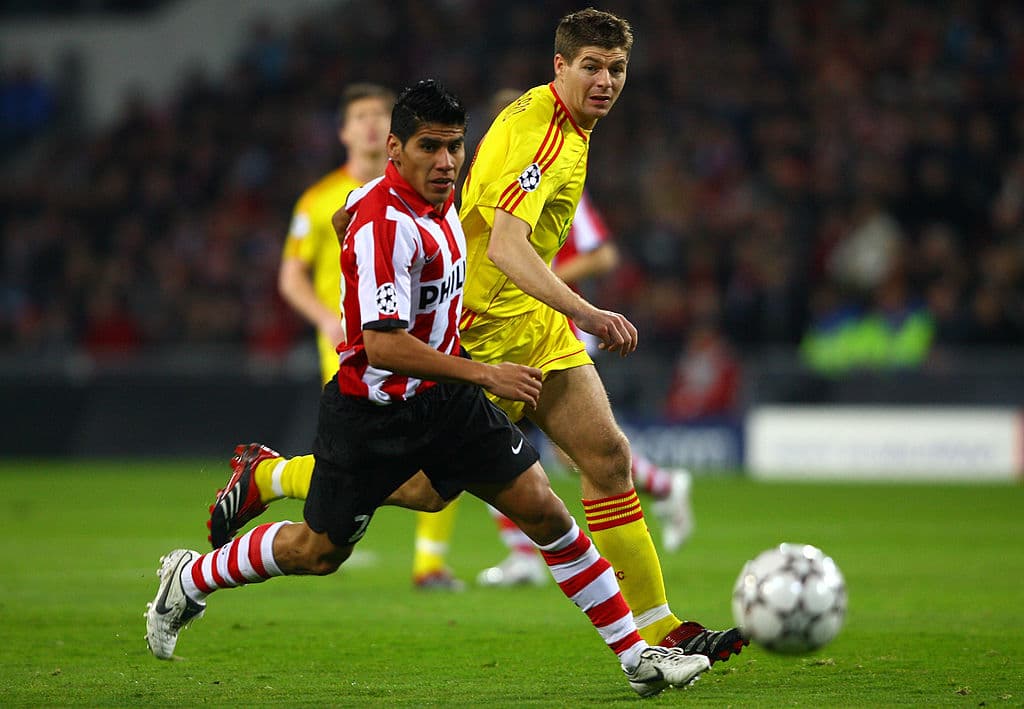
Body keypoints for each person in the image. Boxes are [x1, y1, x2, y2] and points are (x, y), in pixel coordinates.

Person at [210, 8, 746, 662]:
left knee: (607, 456)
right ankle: (272, 475)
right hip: (486, 331)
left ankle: (661, 630)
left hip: (535, 327)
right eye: (592, 67)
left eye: (617, 69)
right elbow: (513, 248)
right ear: (560, 66)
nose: (605, 80)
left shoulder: (564, 123)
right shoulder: (542, 136)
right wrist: (591, 311)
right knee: (428, 489)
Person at [208, 83, 465, 591]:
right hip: (360, 347)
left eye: (377, 114)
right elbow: (291, 275)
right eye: (360, 116)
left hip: (421, 344)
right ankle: (271, 479)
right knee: (371, 466)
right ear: (345, 131)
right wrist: (326, 319)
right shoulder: (318, 198)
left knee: (432, 464)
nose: (369, 123)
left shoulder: (433, 191)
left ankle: (428, 563)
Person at [478, 185, 695, 589]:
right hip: (511, 330)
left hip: (556, 328)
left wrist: (537, 276)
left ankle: (664, 486)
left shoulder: (559, 194)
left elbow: (603, 255)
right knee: (496, 437)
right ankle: (523, 556)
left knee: (566, 447)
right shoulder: (505, 197)